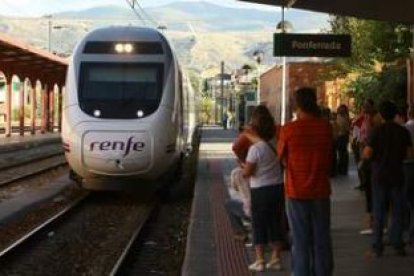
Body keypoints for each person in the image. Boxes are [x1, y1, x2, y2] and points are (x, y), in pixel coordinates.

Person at [277, 87, 334, 276]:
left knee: (300, 239)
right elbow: (329, 156)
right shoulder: (325, 127)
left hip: (296, 191)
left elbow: (281, 158)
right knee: (322, 238)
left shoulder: (289, 129)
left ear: (297, 104)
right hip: (320, 190)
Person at [361, 100, 413, 257]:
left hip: (379, 176)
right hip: (397, 174)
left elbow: (367, 154)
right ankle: (397, 243)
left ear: (381, 115)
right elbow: (410, 154)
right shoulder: (403, 131)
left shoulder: (376, 132)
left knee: (379, 211)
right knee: (397, 211)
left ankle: (377, 246)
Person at [242, 105, 285, 272]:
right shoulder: (276, 143)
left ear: (255, 128)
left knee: (259, 224)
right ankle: (275, 258)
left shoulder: (255, 149)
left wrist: (244, 166)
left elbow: (248, 172)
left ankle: (259, 260)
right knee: (275, 223)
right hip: (277, 188)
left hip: (260, 191)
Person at [225, 167, 251, 241]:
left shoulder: (236, 172)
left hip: (250, 212)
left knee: (228, 204)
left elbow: (235, 188)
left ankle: (240, 232)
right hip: (269, 211)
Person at [336, 104, 350, 175]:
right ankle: (341, 168)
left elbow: (347, 128)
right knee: (341, 153)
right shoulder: (337, 116)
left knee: (343, 153)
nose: (341, 110)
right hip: (339, 136)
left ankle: (343, 169)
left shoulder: (345, 117)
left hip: (343, 136)